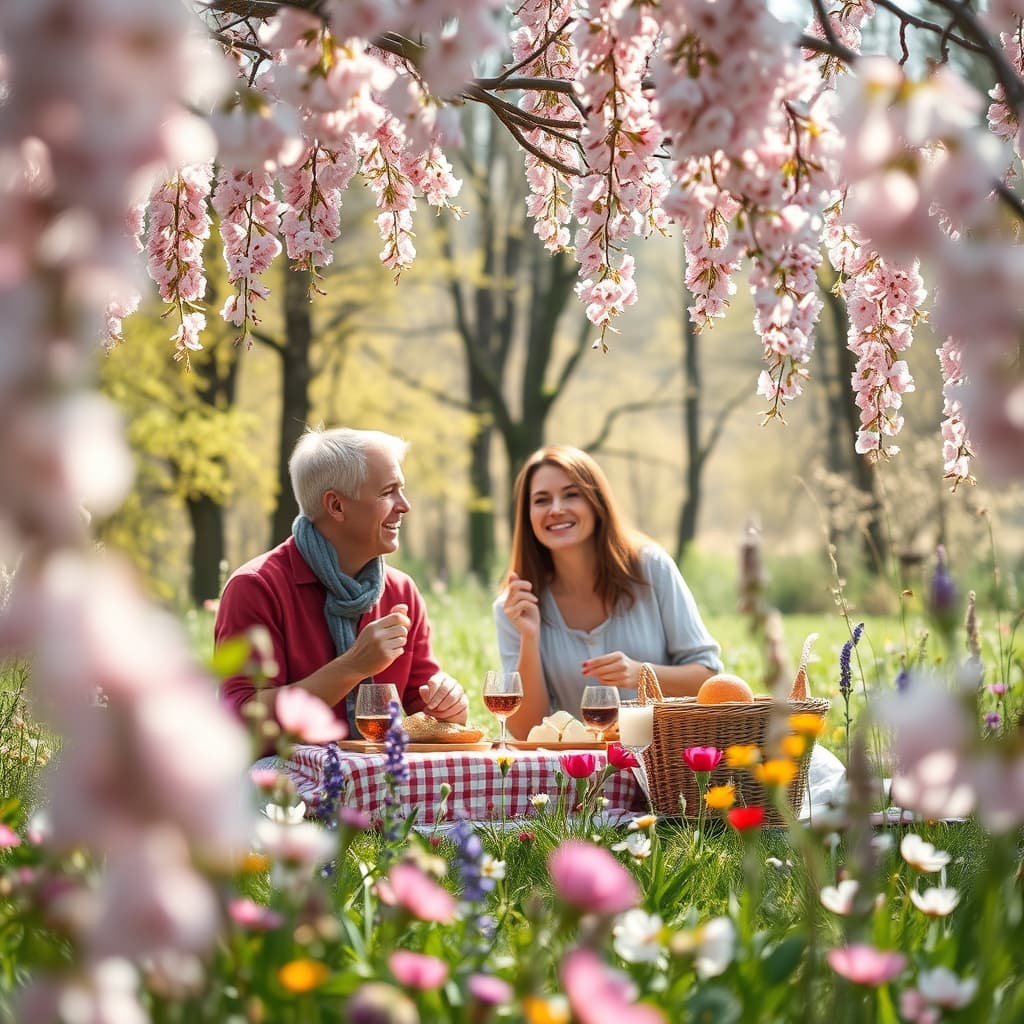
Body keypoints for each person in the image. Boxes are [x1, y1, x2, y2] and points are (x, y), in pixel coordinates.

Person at [216, 426, 468, 745]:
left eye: (401, 490)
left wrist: (448, 704)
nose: (404, 505)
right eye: (387, 492)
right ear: (336, 506)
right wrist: (352, 667)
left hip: (376, 784)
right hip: (281, 788)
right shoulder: (256, 588)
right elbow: (240, 721)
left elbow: (426, 714)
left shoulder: (401, 591)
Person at [494, 445, 723, 739]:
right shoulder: (515, 607)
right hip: (578, 776)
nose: (556, 509)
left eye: (571, 494)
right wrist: (530, 636)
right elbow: (525, 729)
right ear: (527, 516)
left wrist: (642, 673)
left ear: (596, 501)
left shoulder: (652, 570)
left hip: (665, 765)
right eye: (541, 500)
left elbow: (710, 678)